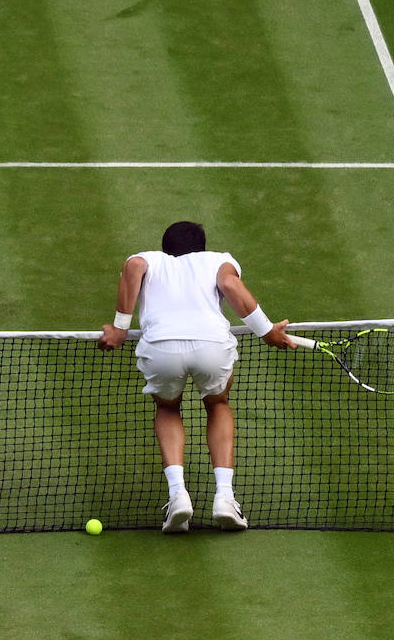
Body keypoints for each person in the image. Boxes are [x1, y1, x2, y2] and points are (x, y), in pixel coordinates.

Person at [97, 221, 292, 533]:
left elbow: (133, 266)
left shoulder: (150, 259)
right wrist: (267, 331)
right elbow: (231, 287)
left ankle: (178, 496)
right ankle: (225, 498)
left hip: (162, 348)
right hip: (211, 346)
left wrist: (120, 327)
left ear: (165, 247)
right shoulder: (220, 260)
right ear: (202, 246)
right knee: (217, 404)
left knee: (168, 407)